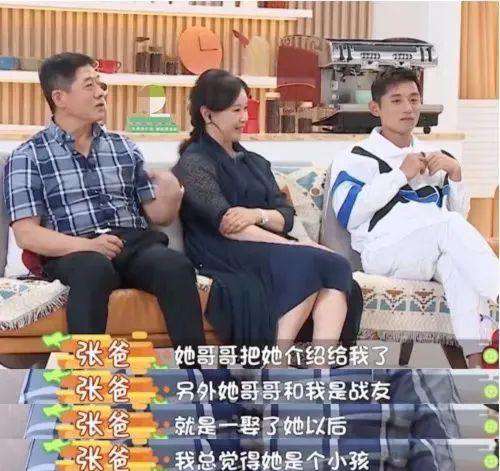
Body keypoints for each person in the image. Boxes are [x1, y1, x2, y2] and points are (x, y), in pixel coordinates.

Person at [3, 52, 206, 348]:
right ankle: (87, 370)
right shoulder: (28, 156)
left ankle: (197, 368)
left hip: (132, 243)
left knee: (174, 266)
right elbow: (27, 234)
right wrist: (88, 246)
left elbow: (159, 216)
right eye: (89, 85)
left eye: (100, 84)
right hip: (72, 251)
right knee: (93, 270)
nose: (101, 92)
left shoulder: (123, 147)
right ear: (60, 98)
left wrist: (172, 192)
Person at [172, 69, 363, 359]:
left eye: (245, 109)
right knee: (311, 263)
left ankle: (321, 368)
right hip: (221, 250)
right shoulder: (195, 161)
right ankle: (276, 361)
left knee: (337, 265)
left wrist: (257, 215)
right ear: (208, 114)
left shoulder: (255, 162)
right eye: (236, 110)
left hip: (264, 244)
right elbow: (226, 223)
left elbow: (285, 216)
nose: (244, 117)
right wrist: (292, 245)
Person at [329, 67, 498, 368]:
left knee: (457, 267)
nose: (408, 108)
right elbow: (348, 214)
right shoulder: (354, 157)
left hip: (431, 248)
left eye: (414, 99)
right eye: (396, 101)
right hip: (384, 251)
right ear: (375, 108)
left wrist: (456, 174)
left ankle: (478, 367)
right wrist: (400, 175)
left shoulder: (434, 155)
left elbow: (457, 219)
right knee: (449, 229)